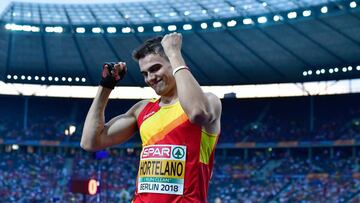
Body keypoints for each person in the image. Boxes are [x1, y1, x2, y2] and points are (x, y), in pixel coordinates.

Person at [81, 32, 222, 203]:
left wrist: (174, 52)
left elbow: (197, 113)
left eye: (155, 69)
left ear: (173, 62)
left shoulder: (208, 101)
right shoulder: (142, 109)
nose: (150, 78)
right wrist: (106, 86)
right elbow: (90, 142)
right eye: (145, 73)